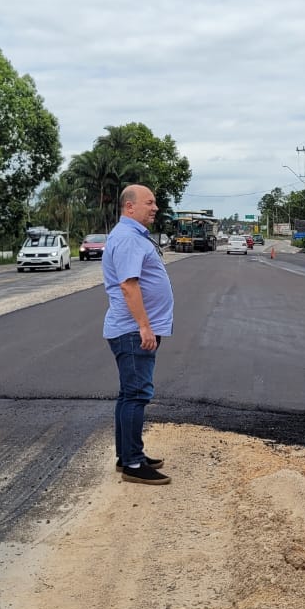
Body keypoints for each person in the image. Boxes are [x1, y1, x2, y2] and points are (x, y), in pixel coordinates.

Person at [102, 185, 174, 485]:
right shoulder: (129, 239)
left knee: (128, 394)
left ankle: (129, 454)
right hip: (133, 331)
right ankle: (132, 463)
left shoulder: (131, 236)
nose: (155, 207)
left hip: (133, 329)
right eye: (149, 202)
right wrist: (145, 326)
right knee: (137, 394)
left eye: (155, 202)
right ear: (129, 207)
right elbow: (128, 286)